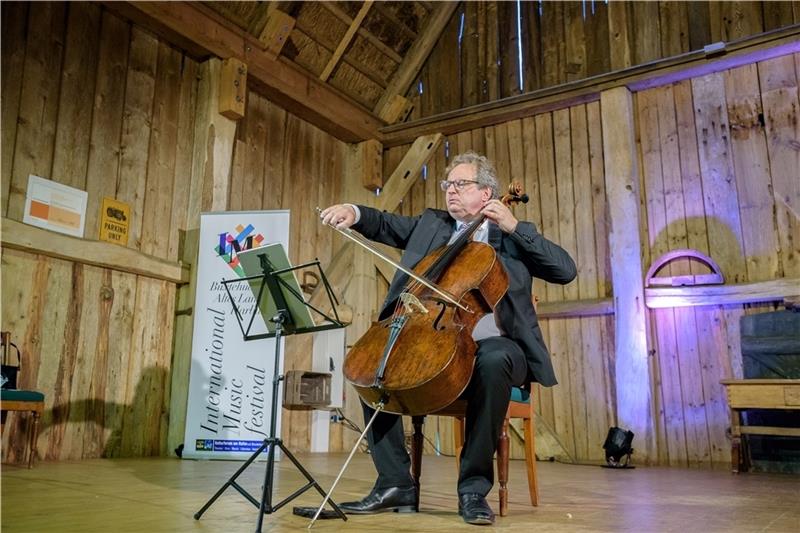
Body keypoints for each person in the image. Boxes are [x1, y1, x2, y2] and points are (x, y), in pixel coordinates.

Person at [319, 151, 576, 525]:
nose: (450, 191)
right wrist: (354, 212)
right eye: (447, 185)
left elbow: (565, 270)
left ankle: (472, 490)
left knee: (493, 359)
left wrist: (512, 226)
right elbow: (385, 224)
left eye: (461, 184)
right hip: (438, 339)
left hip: (500, 347)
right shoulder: (432, 224)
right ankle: (395, 483)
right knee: (374, 364)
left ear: (486, 193)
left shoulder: (514, 233)